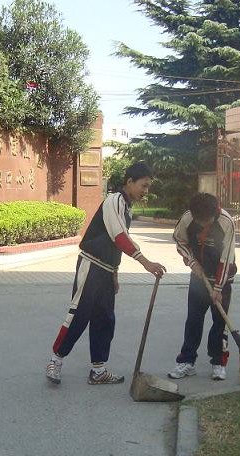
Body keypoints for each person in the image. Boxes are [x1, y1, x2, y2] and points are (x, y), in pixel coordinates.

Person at [46, 161, 166, 385]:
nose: (146, 191)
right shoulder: (114, 200)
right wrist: (146, 262)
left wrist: (114, 273)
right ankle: (55, 360)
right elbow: (119, 236)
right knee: (79, 315)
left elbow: (115, 245)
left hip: (106, 270)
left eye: (148, 187)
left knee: (105, 319)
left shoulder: (126, 206)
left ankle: (98, 370)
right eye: (144, 185)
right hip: (91, 266)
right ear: (129, 182)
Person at [168, 193, 237, 381]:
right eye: (200, 222)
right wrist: (191, 262)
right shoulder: (188, 218)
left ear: (216, 213)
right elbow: (179, 241)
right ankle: (186, 361)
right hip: (199, 277)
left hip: (222, 278)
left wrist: (218, 288)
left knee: (219, 323)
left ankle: (218, 362)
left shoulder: (226, 222)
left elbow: (226, 258)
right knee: (193, 320)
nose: (204, 226)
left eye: (207, 222)